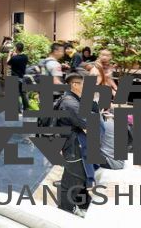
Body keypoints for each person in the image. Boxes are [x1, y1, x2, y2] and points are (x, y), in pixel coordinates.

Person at [56, 73, 92, 216]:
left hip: (73, 143)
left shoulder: (70, 99)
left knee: (77, 177)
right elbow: (87, 122)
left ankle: (80, 205)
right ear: (75, 85)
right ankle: (65, 212)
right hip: (72, 146)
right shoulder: (70, 103)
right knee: (73, 179)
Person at [7, 43, 30, 112]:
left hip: (15, 77)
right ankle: (26, 108)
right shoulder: (25, 57)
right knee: (23, 93)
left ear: (16, 48)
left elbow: (8, 62)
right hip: (23, 77)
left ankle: (18, 109)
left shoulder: (14, 58)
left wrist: (9, 55)